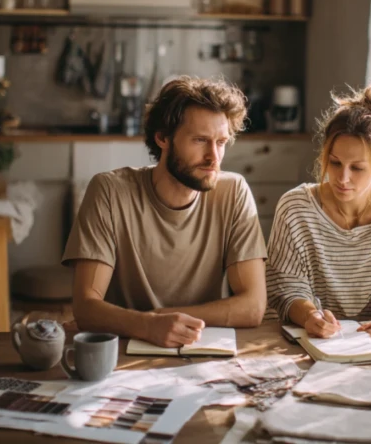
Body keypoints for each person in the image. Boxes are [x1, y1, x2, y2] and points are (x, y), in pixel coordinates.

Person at [62, 77, 268, 348]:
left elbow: (253, 307)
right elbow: (86, 307)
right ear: (162, 138)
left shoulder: (234, 192)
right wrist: (147, 326)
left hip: (206, 348)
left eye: (221, 142)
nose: (214, 158)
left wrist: (156, 320)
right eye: (200, 140)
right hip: (126, 353)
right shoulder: (110, 191)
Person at [266, 84, 371, 347]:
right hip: (305, 345)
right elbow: (286, 290)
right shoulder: (296, 209)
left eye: (357, 168)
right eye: (334, 163)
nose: (343, 179)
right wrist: (311, 316)